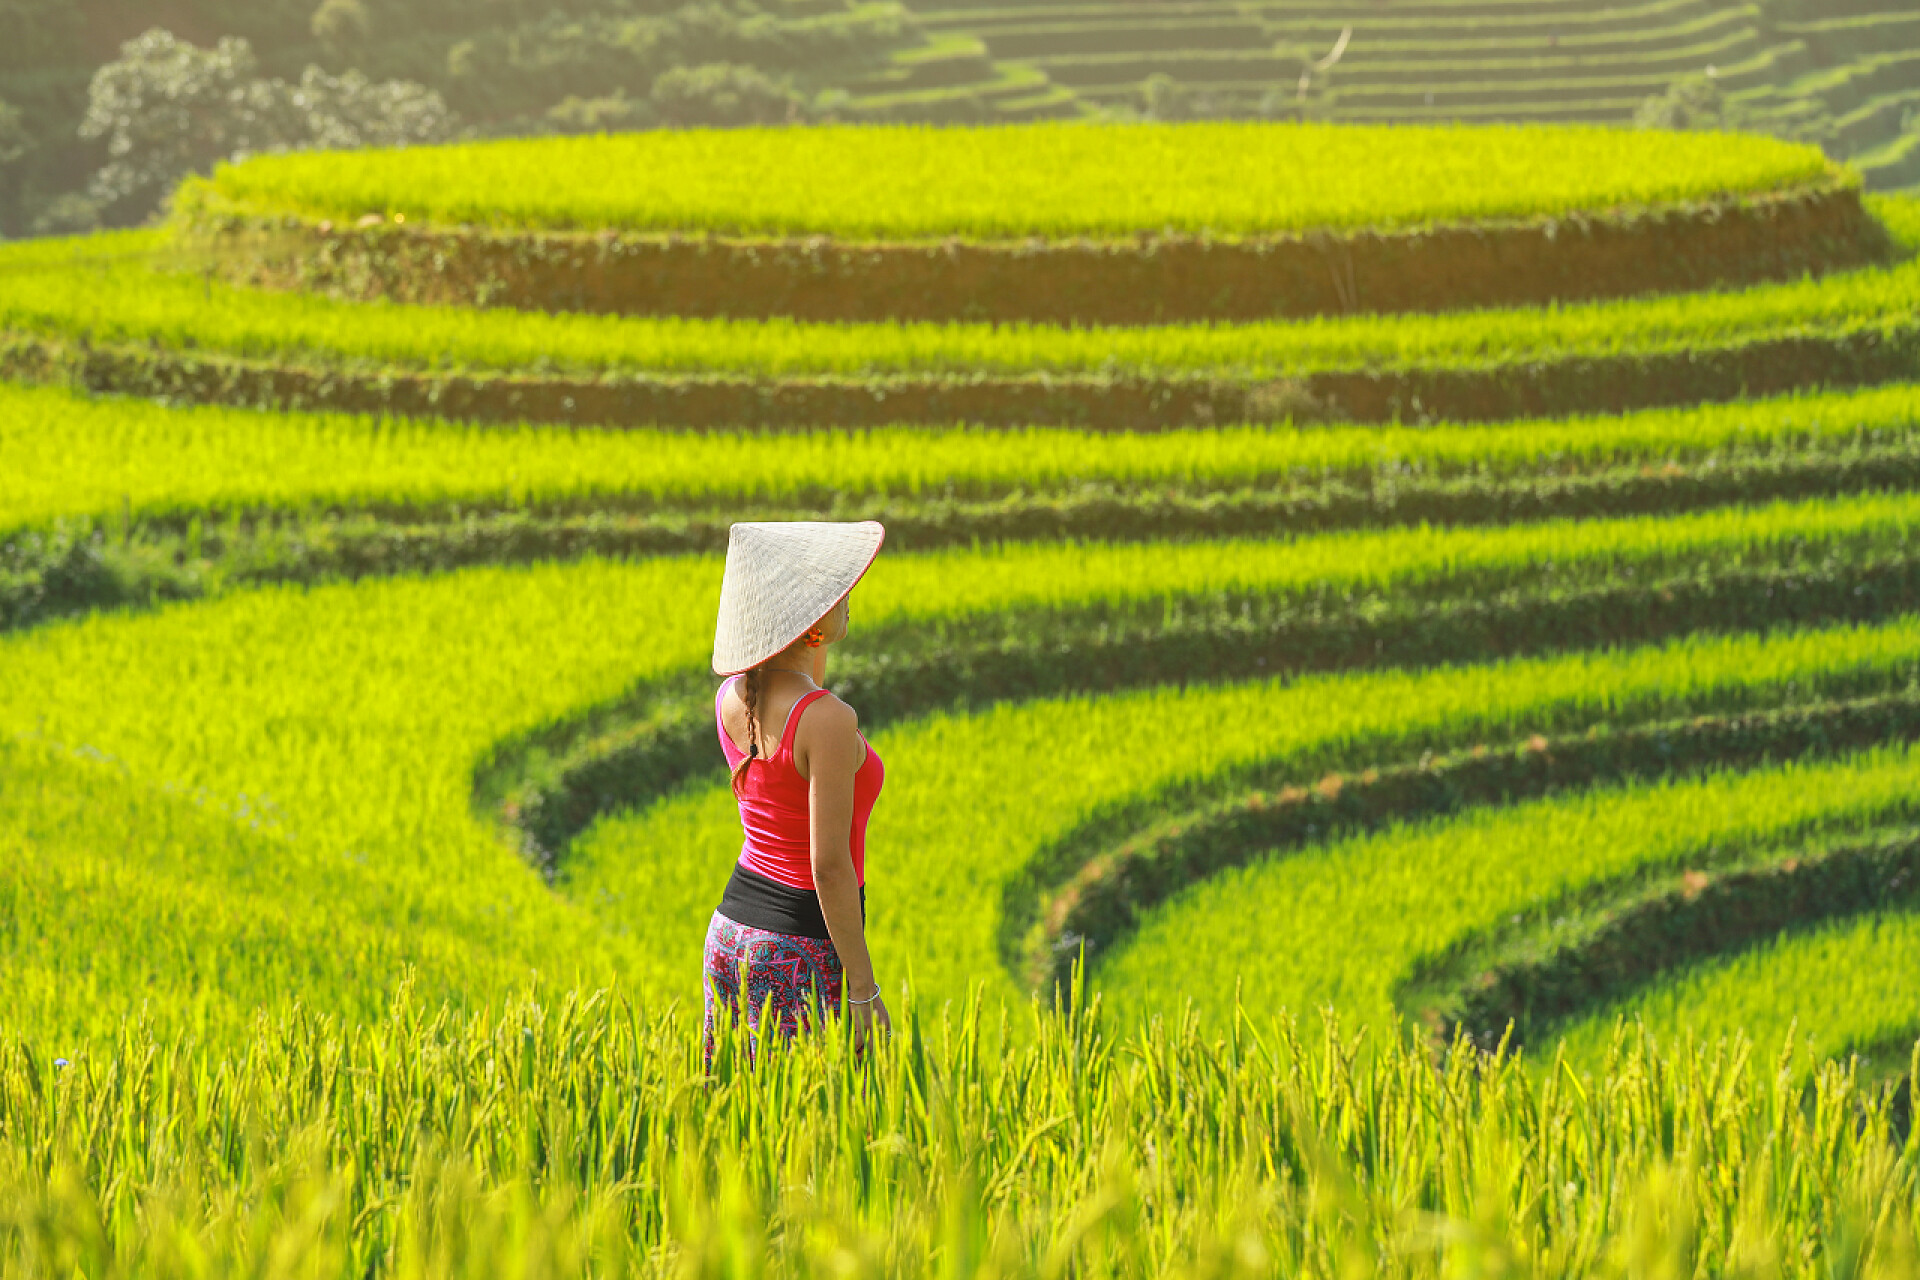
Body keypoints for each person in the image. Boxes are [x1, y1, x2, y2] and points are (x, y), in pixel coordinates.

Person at [703, 519, 891, 1062]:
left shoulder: (731, 698)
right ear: (807, 624)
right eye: (833, 591)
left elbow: (799, 681)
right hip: (799, 949)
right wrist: (863, 988)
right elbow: (828, 865)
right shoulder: (827, 722)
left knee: (745, 1120)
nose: (848, 595)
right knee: (817, 1130)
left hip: (732, 933)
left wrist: (810, 637)